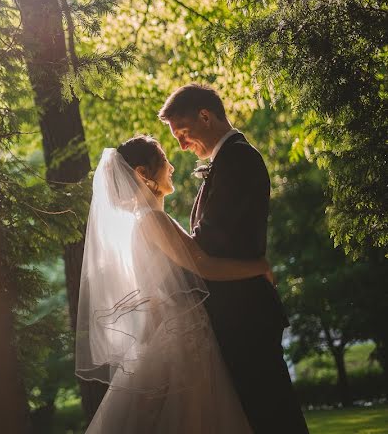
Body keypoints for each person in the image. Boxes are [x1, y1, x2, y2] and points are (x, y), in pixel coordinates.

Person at [76, 135, 270, 432]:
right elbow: (203, 265)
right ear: (143, 173)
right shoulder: (152, 220)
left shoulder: (145, 221)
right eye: (164, 160)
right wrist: (258, 267)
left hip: (174, 338)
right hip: (183, 344)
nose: (172, 167)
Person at [159, 83, 308, 433]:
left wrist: (160, 226)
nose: (180, 145)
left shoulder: (237, 159)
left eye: (182, 133)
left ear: (205, 117)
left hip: (245, 316)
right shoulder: (226, 161)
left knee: (273, 416)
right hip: (236, 314)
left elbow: (208, 246)